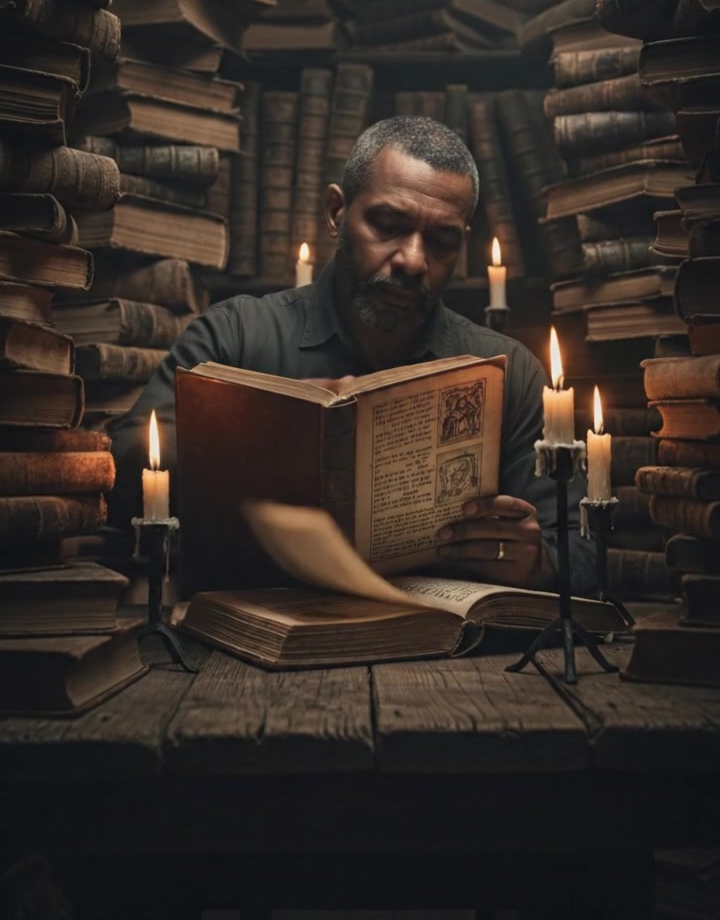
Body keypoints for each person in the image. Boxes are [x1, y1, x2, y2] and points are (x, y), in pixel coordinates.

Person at [108, 115, 597, 595]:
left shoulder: (509, 373)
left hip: (442, 655)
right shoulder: (235, 335)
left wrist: (535, 563)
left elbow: (585, 554)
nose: (412, 259)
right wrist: (261, 426)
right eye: (387, 224)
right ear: (337, 213)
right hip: (250, 645)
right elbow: (129, 463)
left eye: (442, 241)